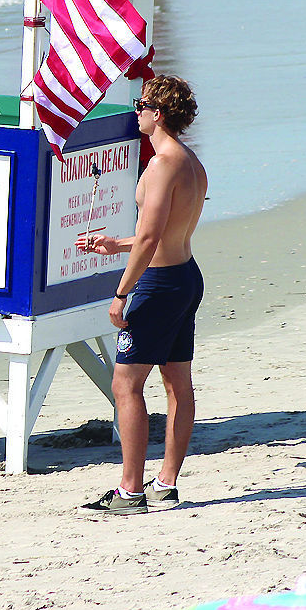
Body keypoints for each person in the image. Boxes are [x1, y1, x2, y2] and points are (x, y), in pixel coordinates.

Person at [74, 75, 206, 515]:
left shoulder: (164, 162)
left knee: (126, 384)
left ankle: (130, 491)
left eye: (141, 104)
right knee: (177, 383)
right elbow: (165, 231)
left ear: (159, 113)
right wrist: (117, 244)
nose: (136, 111)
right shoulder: (188, 160)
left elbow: (151, 239)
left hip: (161, 283)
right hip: (184, 276)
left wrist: (120, 293)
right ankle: (165, 483)